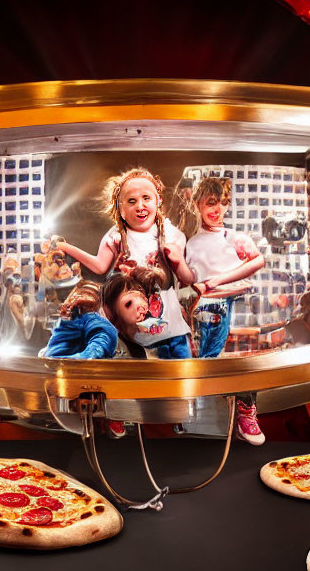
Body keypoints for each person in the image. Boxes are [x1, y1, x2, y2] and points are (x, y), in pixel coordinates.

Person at [54, 167, 191, 359]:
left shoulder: (171, 234)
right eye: (132, 201)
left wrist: (178, 261)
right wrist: (67, 248)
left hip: (170, 327)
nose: (140, 206)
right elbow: (99, 266)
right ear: (121, 208)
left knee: (180, 375)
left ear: (158, 201)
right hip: (130, 333)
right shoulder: (116, 235)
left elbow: (187, 278)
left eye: (146, 198)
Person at [174, 175, 267, 445]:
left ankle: (243, 407)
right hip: (203, 310)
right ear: (198, 204)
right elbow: (187, 282)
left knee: (238, 359)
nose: (217, 210)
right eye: (211, 203)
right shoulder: (190, 243)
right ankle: (198, 397)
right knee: (205, 352)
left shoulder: (234, 238)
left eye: (223, 203)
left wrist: (217, 281)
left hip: (234, 304)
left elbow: (257, 261)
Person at [40, 281, 118, 360]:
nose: (76, 298)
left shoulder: (101, 327)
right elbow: (54, 354)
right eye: (73, 296)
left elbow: (93, 353)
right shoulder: (67, 323)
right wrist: (67, 320)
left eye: (88, 294)